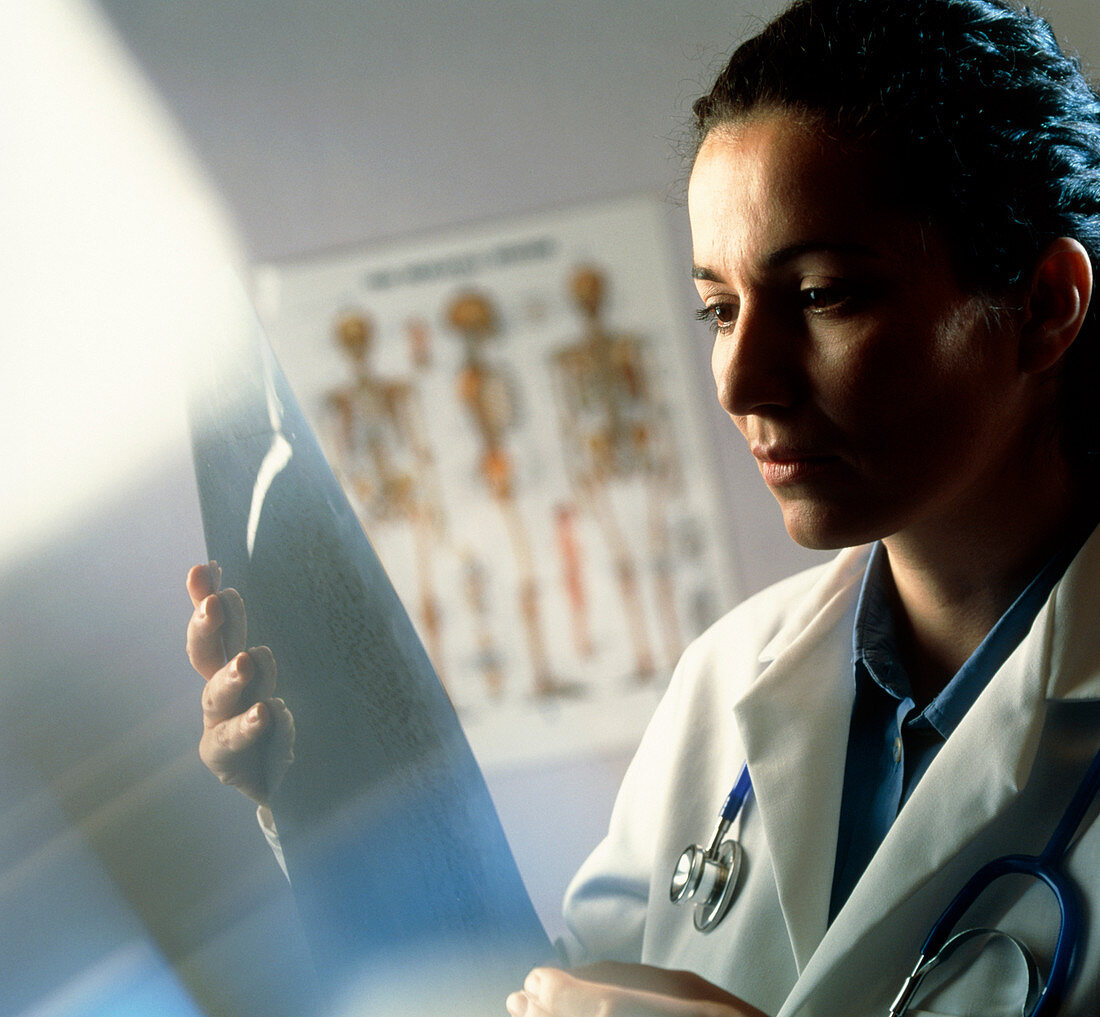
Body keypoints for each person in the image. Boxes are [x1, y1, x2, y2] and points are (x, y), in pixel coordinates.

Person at [186, 0, 1100, 1013]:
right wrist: (318, 800)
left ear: (1043, 303)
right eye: (719, 308)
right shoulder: (729, 678)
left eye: (821, 295)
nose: (741, 380)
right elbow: (532, 995)